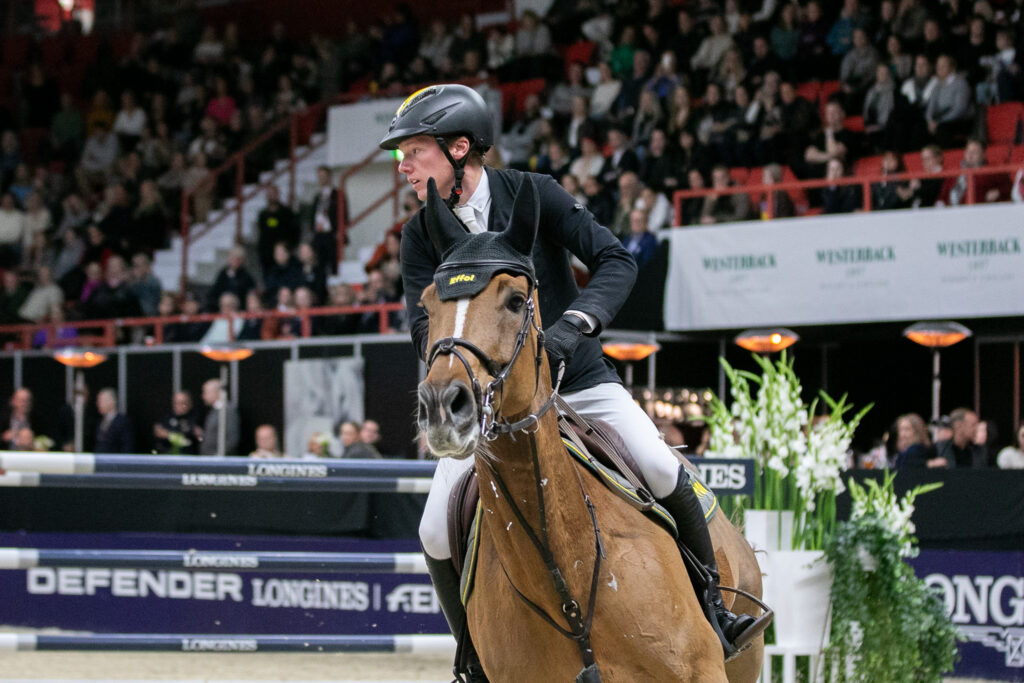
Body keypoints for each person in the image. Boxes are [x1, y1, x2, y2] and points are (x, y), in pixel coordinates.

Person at [379, 83, 766, 674]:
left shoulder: (535, 194)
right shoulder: (419, 234)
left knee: (661, 466)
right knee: (435, 529)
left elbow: (617, 259)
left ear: (460, 148)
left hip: (578, 379)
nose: (402, 166)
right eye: (401, 155)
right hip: (490, 402)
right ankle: (474, 659)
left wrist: (573, 326)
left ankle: (714, 609)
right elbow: (420, 325)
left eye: (413, 151)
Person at [199, 378, 240, 456]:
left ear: (216, 392)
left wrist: (218, 455)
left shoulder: (227, 411)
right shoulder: (214, 410)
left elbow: (232, 438)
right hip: (208, 458)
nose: (203, 396)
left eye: (206, 393)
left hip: (219, 460)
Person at [95, 388, 134, 453]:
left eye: (101, 400)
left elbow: (127, 447)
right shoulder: (100, 422)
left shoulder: (123, 422)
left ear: (112, 401)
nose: (98, 404)